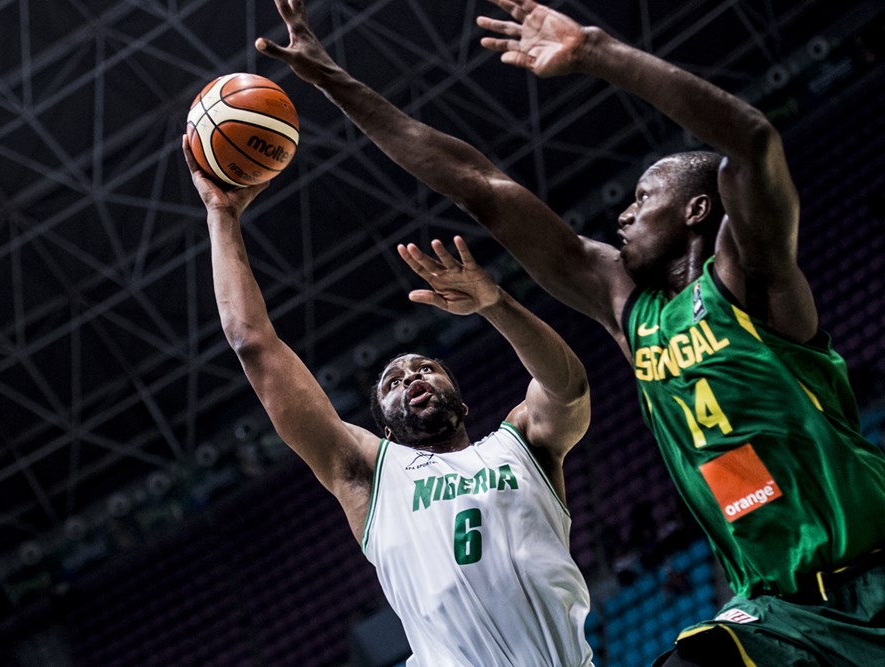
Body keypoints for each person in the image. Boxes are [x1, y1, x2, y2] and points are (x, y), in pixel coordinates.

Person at [255, 0, 885, 664]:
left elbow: (753, 142)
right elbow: (483, 188)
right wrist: (334, 82)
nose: (624, 211)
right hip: (777, 607)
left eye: (645, 198)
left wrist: (595, 50)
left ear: (699, 210)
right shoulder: (628, 309)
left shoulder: (752, 282)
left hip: (869, 567)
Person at [181, 134, 595, 665]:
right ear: (388, 431)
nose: (411, 376)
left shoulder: (522, 445)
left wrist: (496, 303)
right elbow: (253, 345)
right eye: (393, 382)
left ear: (463, 402)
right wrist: (221, 215)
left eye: (425, 368)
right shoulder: (371, 472)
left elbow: (569, 388)